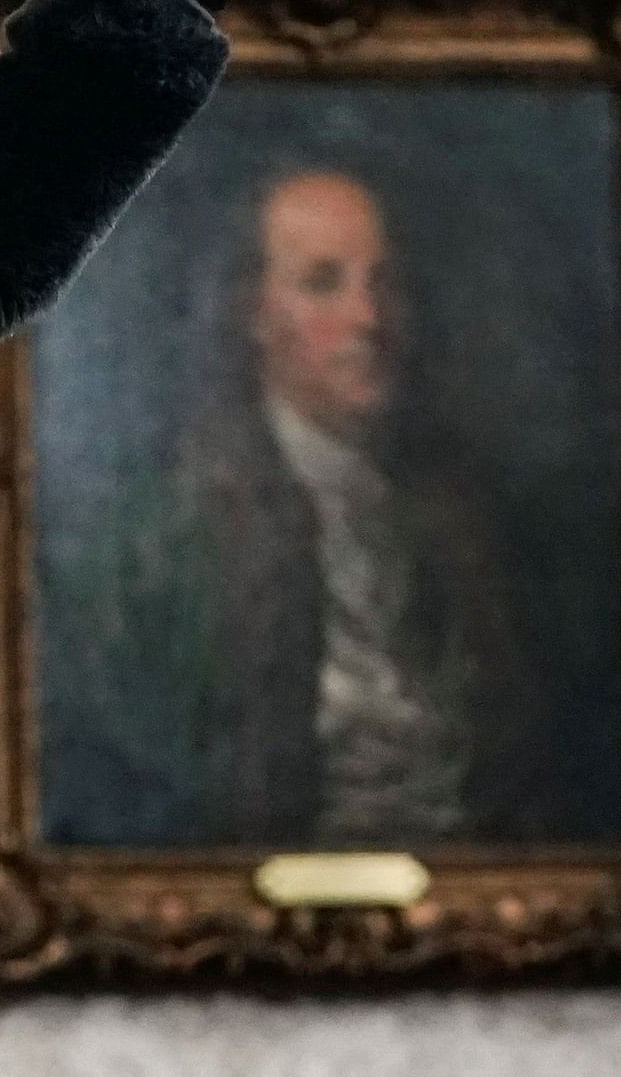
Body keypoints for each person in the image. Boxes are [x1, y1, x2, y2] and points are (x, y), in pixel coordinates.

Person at [181, 165, 535, 847]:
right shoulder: (182, 529)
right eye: (323, 284)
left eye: (384, 283)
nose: (368, 318)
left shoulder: (453, 513)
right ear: (254, 313)